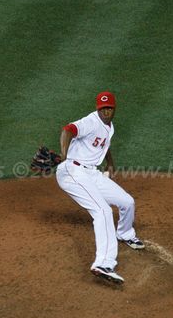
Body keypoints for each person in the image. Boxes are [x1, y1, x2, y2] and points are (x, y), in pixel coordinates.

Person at [55, 91, 144, 285]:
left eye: (109, 108)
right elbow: (67, 130)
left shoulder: (109, 127)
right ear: (98, 109)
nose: (105, 112)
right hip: (73, 172)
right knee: (102, 210)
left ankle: (125, 233)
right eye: (102, 108)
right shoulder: (91, 121)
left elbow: (104, 143)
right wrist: (64, 157)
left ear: (114, 109)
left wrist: (110, 163)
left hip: (91, 173)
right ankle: (103, 263)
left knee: (127, 202)